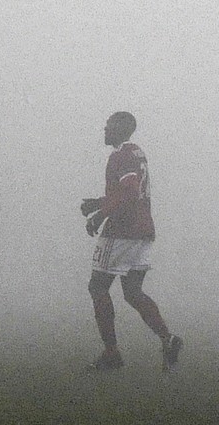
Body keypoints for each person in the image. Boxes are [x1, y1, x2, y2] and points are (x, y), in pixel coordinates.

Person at [79, 111, 181, 371]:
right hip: (144, 229)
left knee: (98, 287)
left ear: (120, 129)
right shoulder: (137, 152)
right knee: (133, 292)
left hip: (122, 231)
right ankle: (167, 339)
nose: (104, 129)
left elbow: (129, 190)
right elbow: (127, 192)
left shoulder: (121, 154)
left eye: (108, 126)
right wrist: (98, 203)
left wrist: (100, 214)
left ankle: (111, 353)